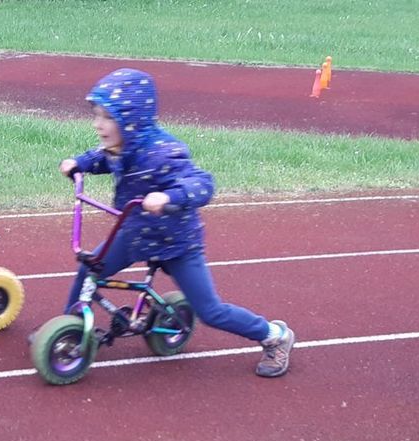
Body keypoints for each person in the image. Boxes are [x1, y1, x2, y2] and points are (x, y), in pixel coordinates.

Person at [56, 68, 295, 377]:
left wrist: (169, 197)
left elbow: (202, 183)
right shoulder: (123, 147)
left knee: (210, 311)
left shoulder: (164, 152)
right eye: (97, 115)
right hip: (135, 233)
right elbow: (105, 158)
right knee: (89, 270)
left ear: (132, 120)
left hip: (177, 242)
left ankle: (275, 336)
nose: (98, 124)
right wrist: (80, 163)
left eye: (108, 117)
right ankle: (69, 332)